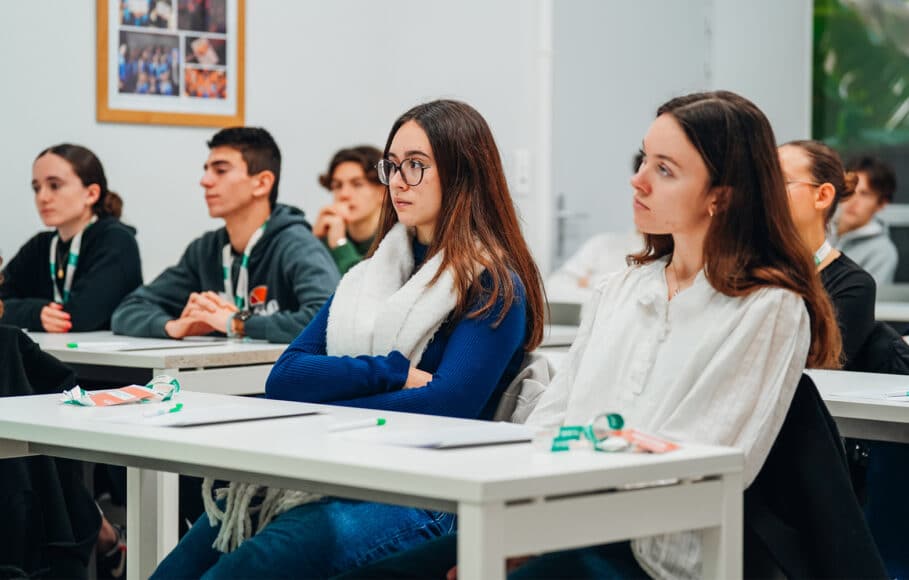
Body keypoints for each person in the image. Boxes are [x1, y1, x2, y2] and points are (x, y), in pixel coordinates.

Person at [340, 90, 843, 579]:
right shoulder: (621, 288)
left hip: (652, 554)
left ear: (721, 196)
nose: (637, 180)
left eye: (664, 170)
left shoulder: (768, 307)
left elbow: (692, 465)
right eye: (644, 160)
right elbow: (551, 422)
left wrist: (540, 535)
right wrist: (526, 527)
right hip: (554, 523)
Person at [150, 99, 546, 579]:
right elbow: (286, 377)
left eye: (416, 165)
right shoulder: (368, 276)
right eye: (392, 166)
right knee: (184, 562)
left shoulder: (492, 283)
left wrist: (323, 405)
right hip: (338, 469)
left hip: (428, 493)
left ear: (462, 173)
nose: (398, 181)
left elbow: (445, 407)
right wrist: (391, 372)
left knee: (249, 565)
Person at [111, 127, 339, 344]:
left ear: (262, 183)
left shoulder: (296, 243)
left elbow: (330, 320)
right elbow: (128, 310)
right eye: (206, 170)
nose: (205, 181)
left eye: (220, 171)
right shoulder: (206, 250)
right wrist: (172, 326)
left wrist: (238, 322)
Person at [0, 144, 142, 333]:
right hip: (54, 348)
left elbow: (79, 317)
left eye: (54, 186)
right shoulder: (40, 245)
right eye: (36, 188)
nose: (42, 197)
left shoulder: (116, 241)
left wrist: (26, 311)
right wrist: (33, 313)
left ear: (91, 194)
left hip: (107, 352)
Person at [779, 140, 874, 369]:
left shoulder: (852, 286)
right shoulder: (739, 266)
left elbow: (815, 370)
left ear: (822, 196)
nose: (763, 192)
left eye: (780, 181)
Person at [313, 145, 385, 275]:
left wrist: (340, 245)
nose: (344, 194)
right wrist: (312, 241)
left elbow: (366, 283)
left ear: (383, 192)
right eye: (337, 185)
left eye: (357, 184)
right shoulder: (327, 236)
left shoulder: (398, 239)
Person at [833, 155, 899, 285]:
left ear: (882, 204)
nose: (853, 200)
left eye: (864, 194)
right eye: (849, 189)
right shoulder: (819, 227)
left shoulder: (882, 252)